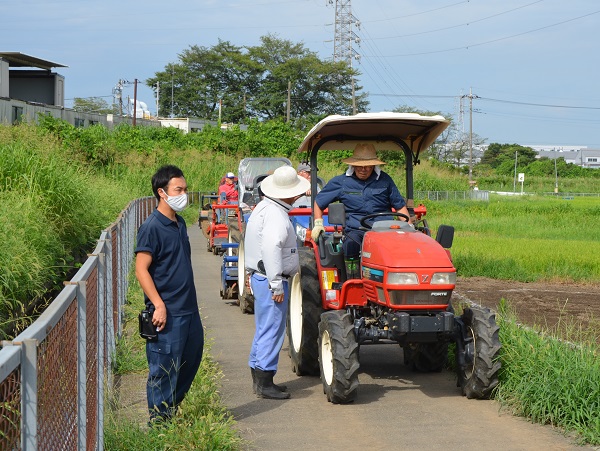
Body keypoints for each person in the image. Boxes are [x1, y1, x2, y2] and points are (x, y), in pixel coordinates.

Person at [134, 165, 204, 423]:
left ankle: (170, 407)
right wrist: (158, 305)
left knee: (191, 358)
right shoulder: (152, 227)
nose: (184, 193)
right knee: (163, 369)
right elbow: (141, 269)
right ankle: (160, 422)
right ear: (162, 192)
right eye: (179, 189)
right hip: (166, 312)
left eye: (185, 189)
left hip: (189, 310)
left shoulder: (179, 221)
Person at [245, 165, 310, 400]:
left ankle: (260, 378)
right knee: (272, 330)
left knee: (264, 329)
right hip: (271, 278)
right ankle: (264, 381)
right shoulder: (276, 215)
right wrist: (276, 284)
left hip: (261, 276)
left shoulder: (265, 207)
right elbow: (271, 248)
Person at [311, 143, 411, 260]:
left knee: (402, 250)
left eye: (367, 166)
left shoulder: (385, 180)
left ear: (373, 165)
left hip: (384, 229)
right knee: (350, 245)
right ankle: (353, 276)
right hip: (356, 230)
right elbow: (319, 201)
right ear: (353, 165)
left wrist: (409, 227)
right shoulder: (342, 182)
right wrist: (318, 224)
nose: (363, 170)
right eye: (360, 166)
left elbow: (399, 205)